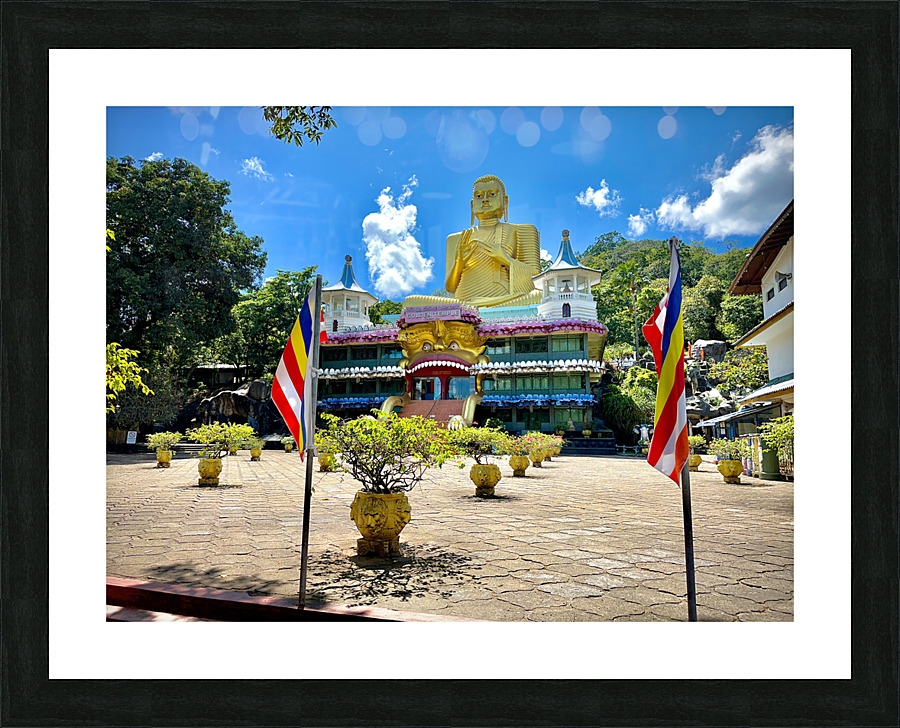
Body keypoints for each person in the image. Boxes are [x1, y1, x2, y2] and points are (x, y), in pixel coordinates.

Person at [403, 175, 542, 309]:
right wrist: (459, 263)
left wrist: (506, 260)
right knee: (411, 302)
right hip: (463, 304)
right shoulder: (456, 239)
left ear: (505, 201)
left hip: (503, 301)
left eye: (492, 194)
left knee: (540, 296)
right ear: (472, 204)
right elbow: (450, 287)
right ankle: (470, 311)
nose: (485, 200)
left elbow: (536, 279)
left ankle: (477, 311)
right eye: (479, 196)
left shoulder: (522, 231)